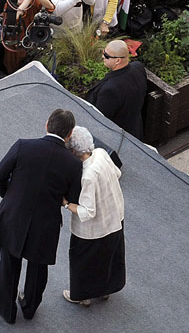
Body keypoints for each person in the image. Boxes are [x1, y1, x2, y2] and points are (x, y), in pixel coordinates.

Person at [0, 108, 82, 324]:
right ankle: (29, 307)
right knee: (38, 268)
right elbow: (73, 197)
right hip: (46, 223)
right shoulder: (74, 164)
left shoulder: (23, 146)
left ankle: (6, 309)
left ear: (47, 124)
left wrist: (8, 194)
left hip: (13, 216)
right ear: (69, 134)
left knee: (9, 264)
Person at [63, 126, 126, 307]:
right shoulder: (101, 154)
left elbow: (87, 211)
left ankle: (82, 296)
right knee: (107, 258)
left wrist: (67, 204)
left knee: (83, 262)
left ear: (73, 150)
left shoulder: (87, 175)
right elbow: (118, 173)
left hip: (92, 230)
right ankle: (105, 290)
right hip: (115, 217)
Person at [86, 40, 148, 139]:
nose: (103, 56)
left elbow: (100, 120)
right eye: (103, 52)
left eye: (106, 55)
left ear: (118, 60)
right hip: (136, 128)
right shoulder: (138, 67)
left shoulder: (110, 90)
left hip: (118, 137)